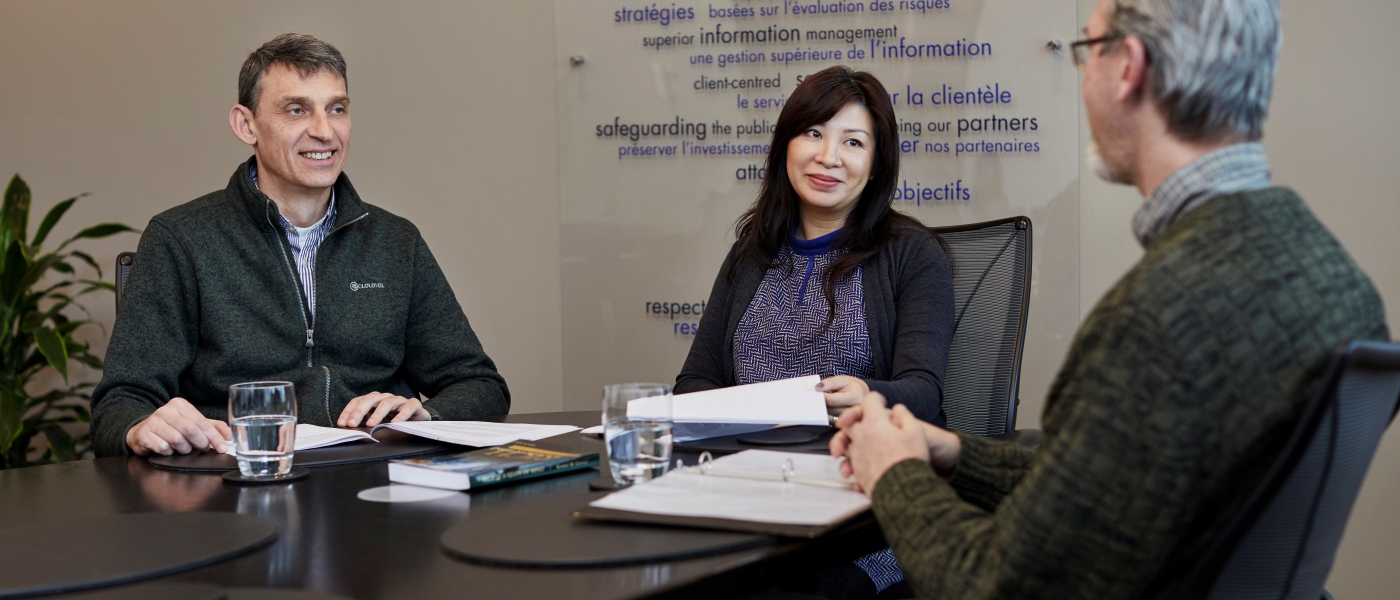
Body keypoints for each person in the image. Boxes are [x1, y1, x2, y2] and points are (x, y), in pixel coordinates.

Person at [829, 0, 1389, 598]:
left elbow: (997, 586)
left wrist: (893, 470)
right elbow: (1105, 488)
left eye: (1087, 51)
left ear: (1129, 68)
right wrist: (954, 457)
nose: (1083, 75)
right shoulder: (1338, 281)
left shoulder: (1156, 323)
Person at [90, 34, 509, 458]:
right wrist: (140, 426)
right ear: (245, 125)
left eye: (337, 109)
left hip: (372, 483)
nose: (324, 132)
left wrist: (426, 416)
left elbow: (480, 386)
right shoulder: (180, 239)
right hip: (238, 485)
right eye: (296, 110)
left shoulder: (395, 240)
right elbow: (118, 406)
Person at [675, 65, 954, 597]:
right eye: (813, 133)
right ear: (786, 146)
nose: (828, 157)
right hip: (754, 495)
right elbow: (693, 382)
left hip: (866, 517)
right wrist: (744, 409)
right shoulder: (751, 254)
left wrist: (867, 393)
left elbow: (924, 393)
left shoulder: (913, 255)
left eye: (853, 141)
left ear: (875, 164)